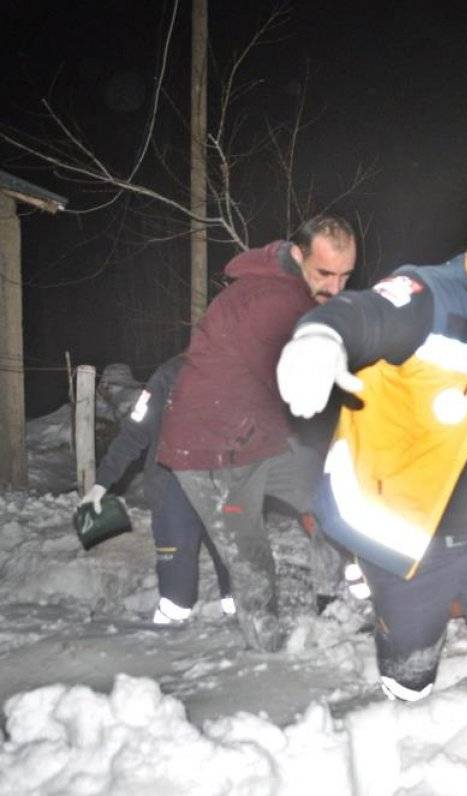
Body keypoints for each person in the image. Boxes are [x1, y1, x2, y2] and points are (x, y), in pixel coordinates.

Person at [277, 191, 467, 796]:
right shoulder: (427, 296)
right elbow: (360, 313)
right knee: (410, 671)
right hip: (412, 540)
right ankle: (400, 665)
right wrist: (320, 339)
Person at [158, 215, 356, 653]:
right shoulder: (270, 302)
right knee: (251, 557)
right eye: (325, 273)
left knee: (332, 500)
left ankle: (332, 603)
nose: (335, 288)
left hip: (260, 435)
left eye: (345, 276)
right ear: (299, 256)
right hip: (213, 449)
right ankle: (267, 652)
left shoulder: (297, 294)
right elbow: (300, 386)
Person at [80, 355, 235, 624]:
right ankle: (164, 642)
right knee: (178, 591)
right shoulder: (170, 374)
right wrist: (102, 482)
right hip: (172, 487)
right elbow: (134, 433)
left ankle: (237, 630)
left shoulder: (248, 373)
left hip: (227, 486)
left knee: (236, 569)